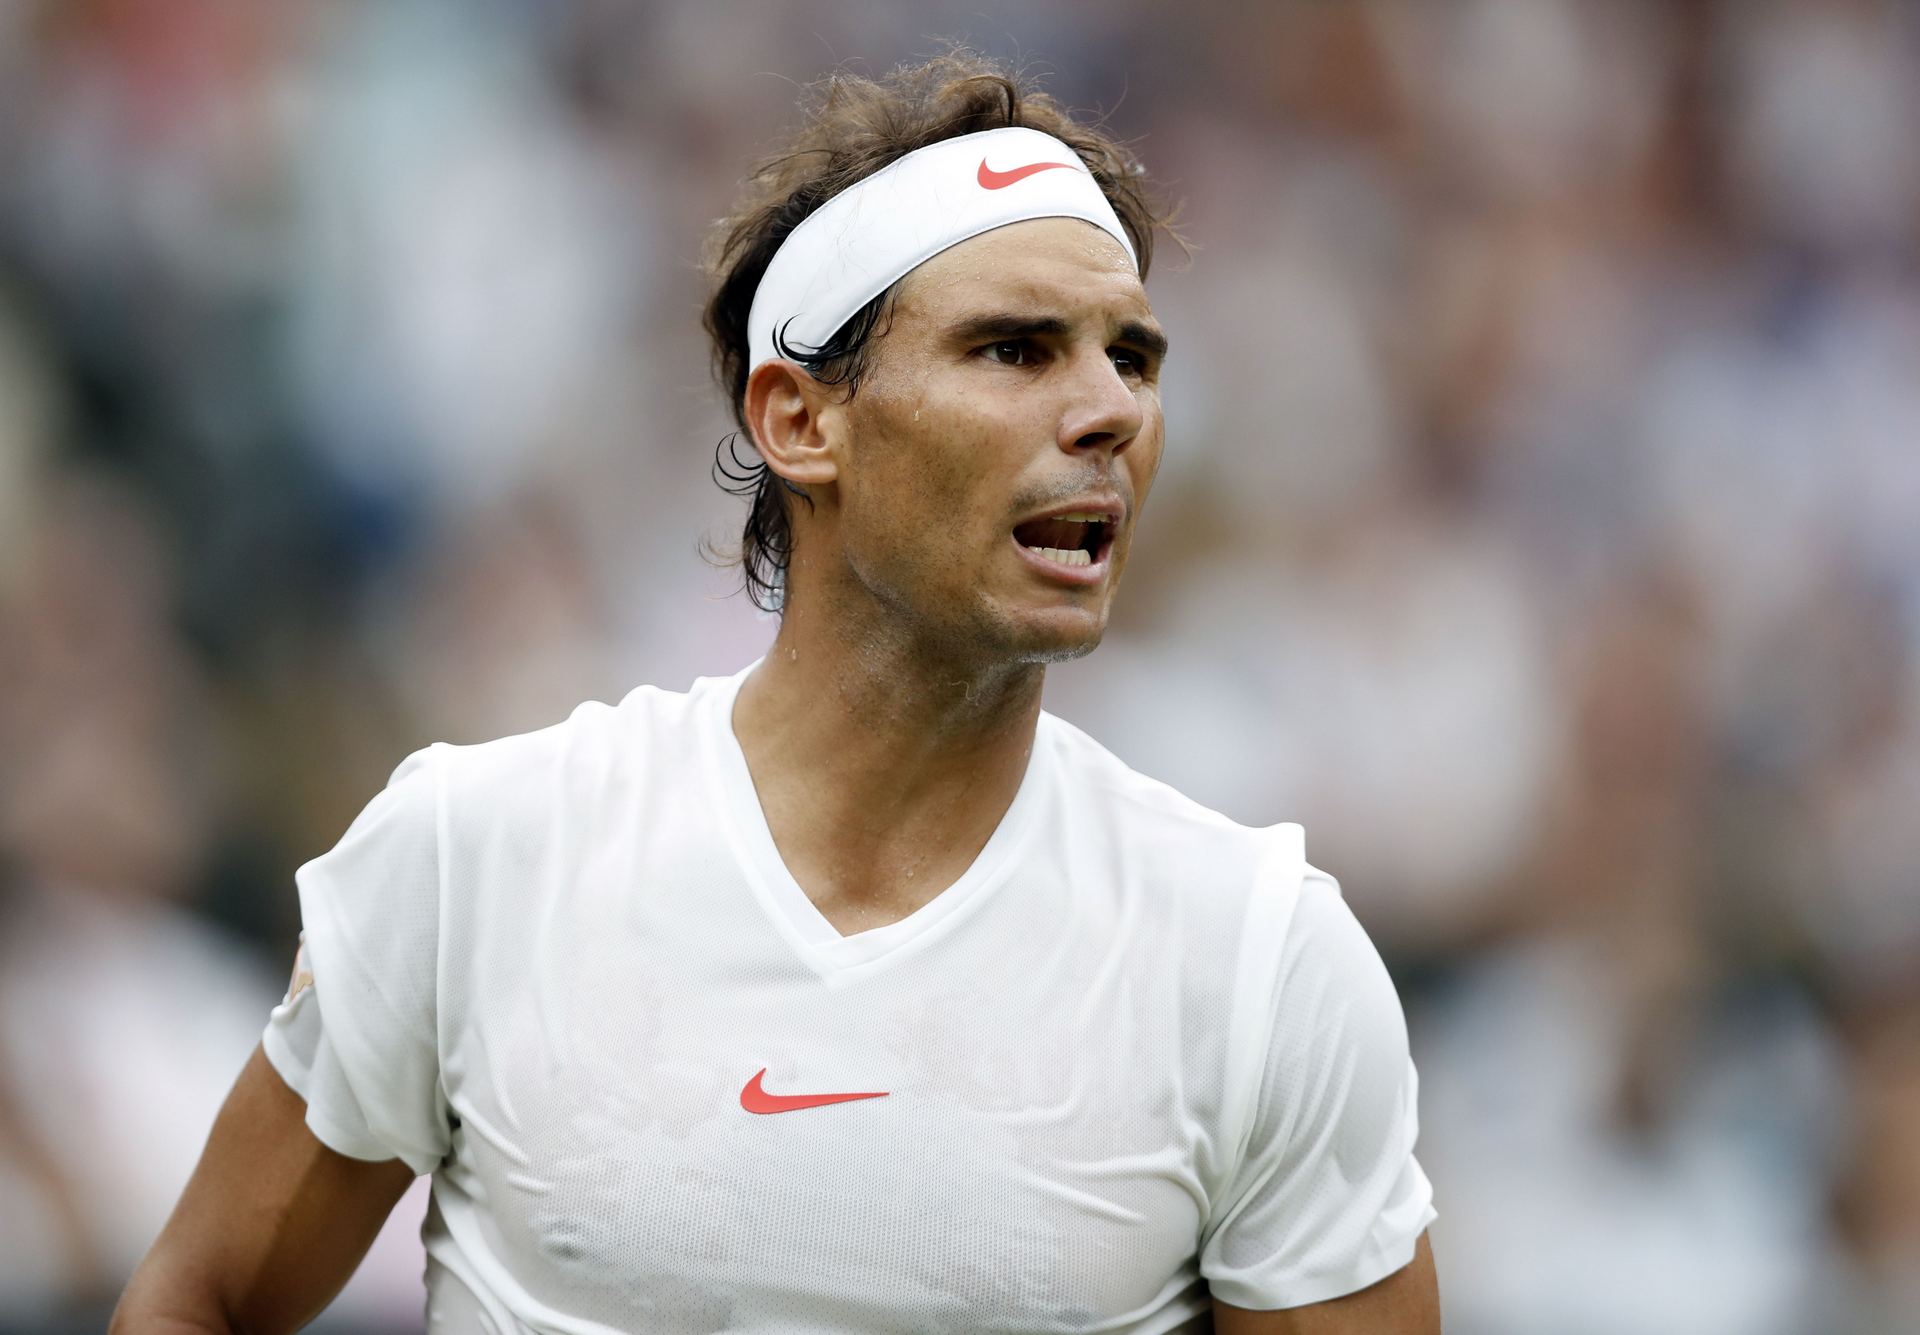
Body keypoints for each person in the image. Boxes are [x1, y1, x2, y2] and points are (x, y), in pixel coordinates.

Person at [114, 52, 1439, 1334]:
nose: (1109, 412)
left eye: (1133, 359)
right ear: (799, 420)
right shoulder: (475, 857)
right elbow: (198, 1300)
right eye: (1016, 351)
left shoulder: (1268, 964)